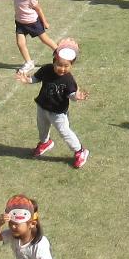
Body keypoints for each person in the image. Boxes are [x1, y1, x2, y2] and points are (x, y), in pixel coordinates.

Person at [0, 0, 58, 80]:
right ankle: (28, 62)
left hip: (33, 23)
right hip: (20, 23)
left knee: (45, 39)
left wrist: (44, 22)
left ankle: (59, 52)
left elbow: (39, 9)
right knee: (20, 43)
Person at [32, 40, 90, 169]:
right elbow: (36, 78)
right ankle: (45, 143)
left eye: (66, 66)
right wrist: (28, 79)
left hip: (58, 113)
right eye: (59, 65)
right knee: (42, 128)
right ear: (54, 61)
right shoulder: (46, 69)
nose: (62, 69)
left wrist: (76, 96)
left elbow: (71, 94)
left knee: (64, 132)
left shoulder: (68, 79)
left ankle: (80, 151)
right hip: (42, 107)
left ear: (71, 65)